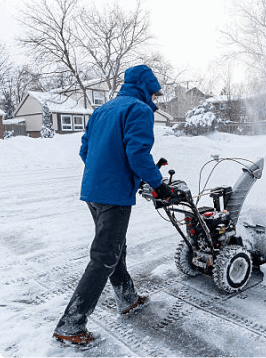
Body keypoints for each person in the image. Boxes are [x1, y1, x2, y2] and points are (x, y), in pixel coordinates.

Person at [53, 65, 171, 346]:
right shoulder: (138, 110)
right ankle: (71, 325)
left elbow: (85, 149)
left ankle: (127, 298)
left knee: (114, 247)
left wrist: (105, 173)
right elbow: (138, 154)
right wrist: (159, 185)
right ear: (144, 87)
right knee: (104, 256)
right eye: (153, 92)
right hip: (113, 196)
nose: (154, 98)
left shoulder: (103, 110)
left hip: (93, 191)